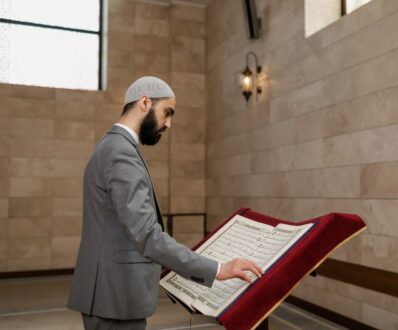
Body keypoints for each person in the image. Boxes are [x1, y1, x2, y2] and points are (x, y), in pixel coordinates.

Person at [68, 76, 263, 330]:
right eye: (167, 113)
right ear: (145, 103)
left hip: (111, 294)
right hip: (114, 297)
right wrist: (218, 269)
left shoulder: (116, 146)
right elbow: (147, 235)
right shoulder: (121, 151)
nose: (169, 124)